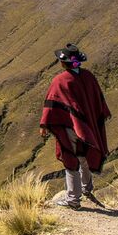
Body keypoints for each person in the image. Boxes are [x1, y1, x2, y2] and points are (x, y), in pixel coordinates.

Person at [39, 43, 111, 209]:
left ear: (63, 63)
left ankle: (73, 199)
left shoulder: (60, 81)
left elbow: (51, 105)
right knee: (83, 157)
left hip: (71, 127)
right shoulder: (89, 76)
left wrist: (44, 125)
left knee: (70, 160)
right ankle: (86, 188)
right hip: (88, 126)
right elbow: (98, 102)